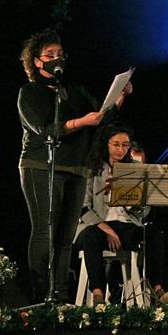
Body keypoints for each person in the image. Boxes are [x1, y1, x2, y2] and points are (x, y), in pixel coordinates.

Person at [17, 28, 130, 301]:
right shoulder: (30, 92)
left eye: (60, 54)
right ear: (36, 61)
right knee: (45, 229)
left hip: (77, 168)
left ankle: (59, 292)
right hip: (42, 166)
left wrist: (120, 96)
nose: (57, 59)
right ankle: (40, 293)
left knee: (66, 235)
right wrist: (80, 122)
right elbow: (45, 129)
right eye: (50, 55)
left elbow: (101, 117)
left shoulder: (73, 91)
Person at [73, 124, 168, 305]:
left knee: (153, 233)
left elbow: (143, 212)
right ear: (106, 144)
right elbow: (83, 208)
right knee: (89, 237)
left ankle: (157, 289)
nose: (121, 149)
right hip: (97, 225)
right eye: (116, 144)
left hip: (126, 225)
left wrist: (135, 201)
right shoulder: (92, 168)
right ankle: (98, 292)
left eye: (125, 145)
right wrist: (107, 229)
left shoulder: (134, 167)